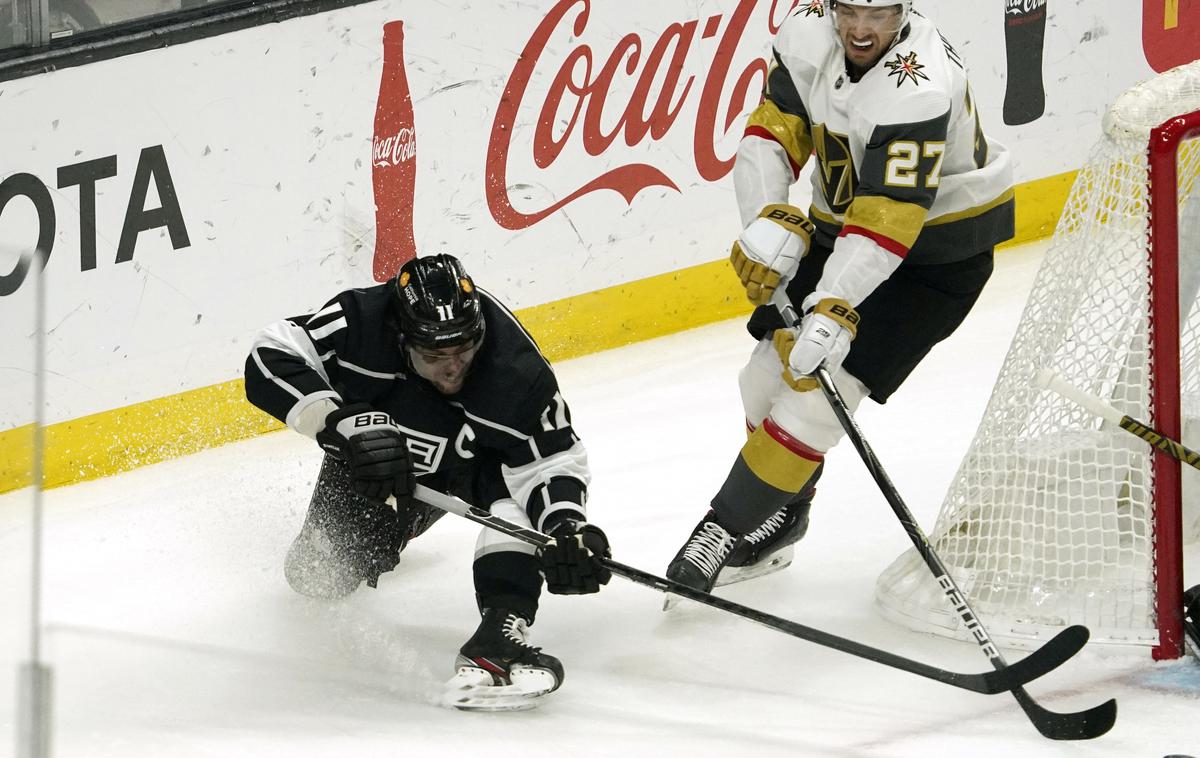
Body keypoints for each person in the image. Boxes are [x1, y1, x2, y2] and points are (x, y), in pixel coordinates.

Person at [666, 0, 1014, 593]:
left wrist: (834, 307)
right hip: (844, 230)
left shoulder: (918, 83)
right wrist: (767, 219)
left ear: (904, 11)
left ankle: (722, 529)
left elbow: (890, 217)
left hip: (934, 259)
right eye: (848, 10)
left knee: (817, 399)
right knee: (763, 376)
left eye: (877, 15)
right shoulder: (806, 32)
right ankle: (781, 515)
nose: (860, 28)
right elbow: (771, 133)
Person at [244, 253, 611, 709]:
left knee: (523, 504)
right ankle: (400, 523)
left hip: (471, 463)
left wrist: (564, 530)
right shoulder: (361, 322)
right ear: (401, 338)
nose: (453, 367)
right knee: (316, 578)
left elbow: (549, 462)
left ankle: (499, 633)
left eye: (463, 351)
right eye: (435, 355)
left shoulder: (514, 370)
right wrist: (338, 422)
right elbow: (268, 354)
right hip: (376, 461)